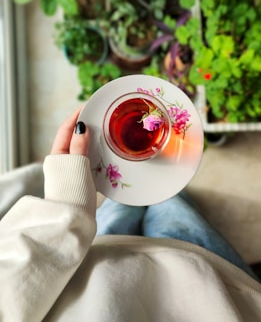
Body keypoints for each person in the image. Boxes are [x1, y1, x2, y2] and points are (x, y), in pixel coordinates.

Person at [0, 108, 260, 322]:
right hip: (205, 283)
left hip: (89, 261)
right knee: (170, 204)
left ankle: (152, 193)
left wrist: (65, 212)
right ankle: (166, 193)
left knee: (120, 206)